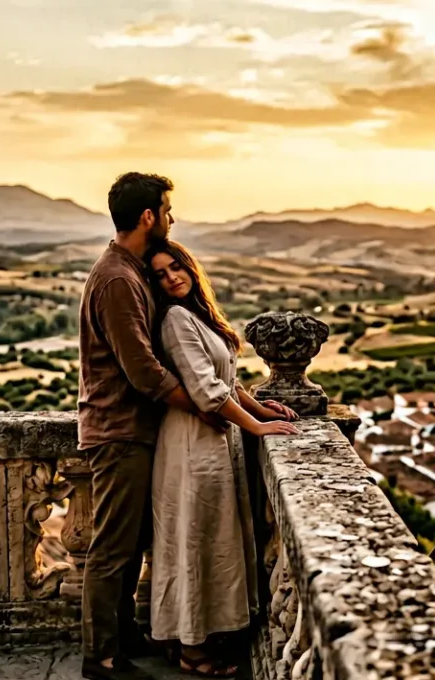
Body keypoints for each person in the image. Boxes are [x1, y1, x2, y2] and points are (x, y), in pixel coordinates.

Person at [78, 173, 227, 680]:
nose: (171, 218)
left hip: (132, 430)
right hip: (119, 430)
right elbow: (144, 371)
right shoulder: (118, 279)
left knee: (132, 543)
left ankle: (123, 637)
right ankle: (101, 658)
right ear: (148, 217)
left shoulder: (128, 271)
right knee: (113, 548)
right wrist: (203, 406)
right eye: (166, 210)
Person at [145, 239, 298, 677]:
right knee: (194, 543)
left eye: (176, 267)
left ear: (190, 268)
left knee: (211, 541)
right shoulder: (174, 320)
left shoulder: (196, 315)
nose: (172, 278)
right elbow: (206, 391)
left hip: (212, 443)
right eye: (160, 274)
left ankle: (194, 637)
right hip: (192, 445)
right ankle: (192, 650)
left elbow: (228, 383)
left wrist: (262, 409)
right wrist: (257, 428)